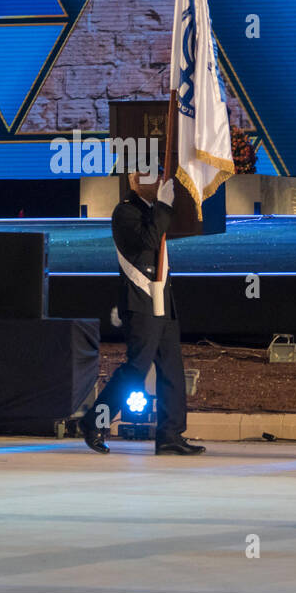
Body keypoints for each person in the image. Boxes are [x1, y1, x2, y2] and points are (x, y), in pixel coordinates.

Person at [80, 165, 204, 456]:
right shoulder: (125, 212)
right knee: (137, 367)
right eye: (151, 176)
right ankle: (93, 422)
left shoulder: (152, 209)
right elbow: (148, 240)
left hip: (162, 299)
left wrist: (165, 205)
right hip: (141, 300)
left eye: (160, 176)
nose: (159, 180)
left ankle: (170, 435)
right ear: (135, 181)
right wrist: (162, 205)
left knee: (172, 369)